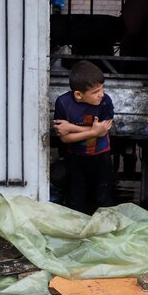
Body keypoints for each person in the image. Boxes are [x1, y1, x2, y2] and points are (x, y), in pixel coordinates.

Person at [53, 60, 115, 214]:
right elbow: (64, 139)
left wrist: (71, 128)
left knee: (103, 197)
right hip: (75, 157)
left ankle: (105, 230)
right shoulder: (63, 103)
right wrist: (93, 131)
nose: (101, 94)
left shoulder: (105, 102)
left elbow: (102, 130)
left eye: (102, 88)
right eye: (95, 92)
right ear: (78, 95)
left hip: (101, 156)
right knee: (75, 197)